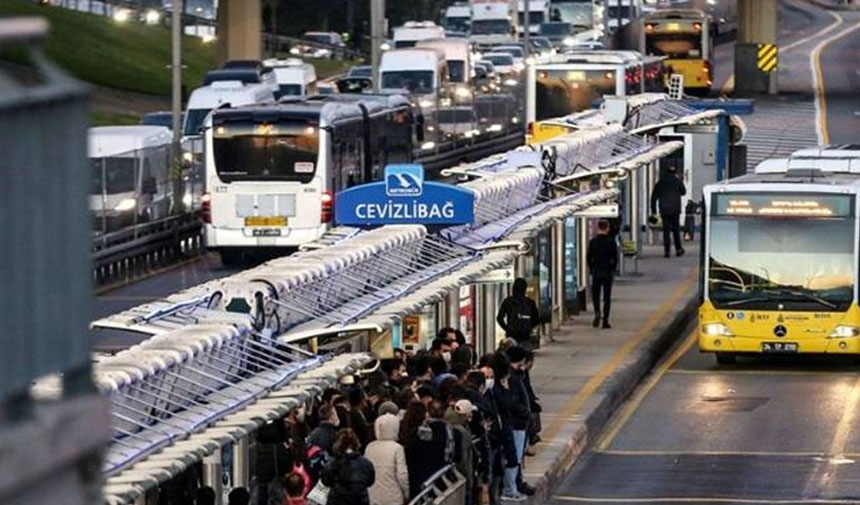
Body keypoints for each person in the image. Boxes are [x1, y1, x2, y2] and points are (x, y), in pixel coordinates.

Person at [321, 429, 376, 505]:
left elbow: (325, 481)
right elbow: (370, 481)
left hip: (338, 500)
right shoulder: (366, 463)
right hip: (360, 500)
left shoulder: (333, 464)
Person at [365, 413, 410, 505]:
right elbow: (402, 474)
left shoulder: (369, 447)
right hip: (393, 497)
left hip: (373, 496)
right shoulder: (397, 448)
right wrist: (407, 493)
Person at [586, 219, 618, 329]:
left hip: (596, 272)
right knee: (607, 297)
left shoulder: (593, 242)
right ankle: (605, 320)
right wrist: (612, 269)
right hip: (607, 272)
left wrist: (592, 269)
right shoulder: (611, 242)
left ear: (598, 228)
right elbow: (615, 258)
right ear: (607, 228)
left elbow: (588, 257)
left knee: (596, 295)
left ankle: (597, 314)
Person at [650, 164, 687, 258]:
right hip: (675, 209)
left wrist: (654, 211)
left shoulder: (660, 182)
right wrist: (680, 180)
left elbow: (654, 197)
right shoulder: (677, 181)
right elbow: (683, 192)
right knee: (676, 230)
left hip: (664, 209)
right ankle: (678, 249)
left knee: (666, 231)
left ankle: (667, 251)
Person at [496, 278, 540, 349]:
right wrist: (528, 327)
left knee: (511, 356)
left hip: (511, 336)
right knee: (525, 356)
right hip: (525, 336)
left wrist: (507, 328)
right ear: (525, 289)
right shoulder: (530, 302)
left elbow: (499, 318)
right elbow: (537, 319)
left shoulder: (508, 301)